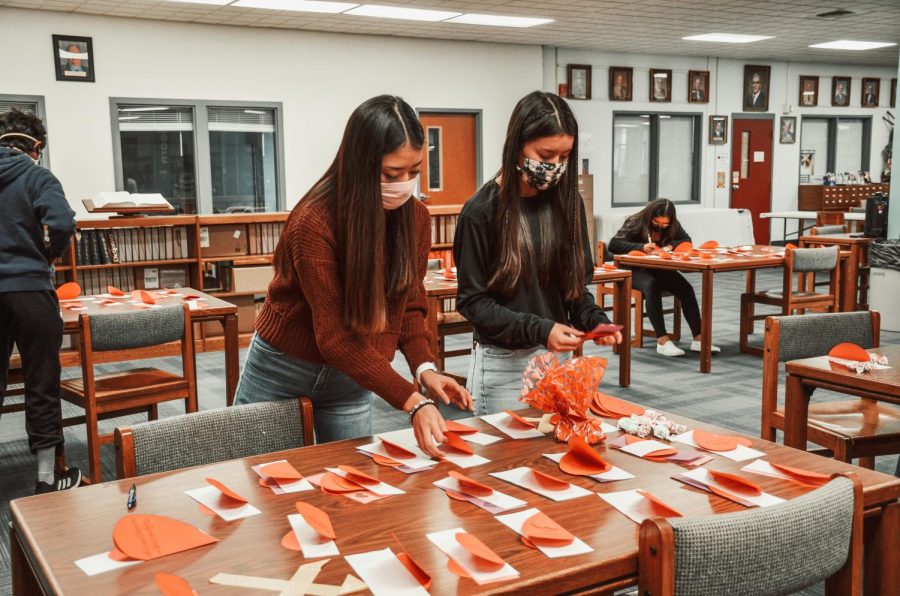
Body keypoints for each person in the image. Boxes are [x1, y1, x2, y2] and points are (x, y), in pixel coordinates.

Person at [233, 95, 472, 458]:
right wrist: (412, 401)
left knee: (352, 482)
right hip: (283, 368)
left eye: (414, 171)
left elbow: (408, 304)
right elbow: (335, 337)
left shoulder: (416, 218)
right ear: (359, 164)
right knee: (261, 482)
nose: (404, 184)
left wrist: (425, 368)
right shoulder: (314, 222)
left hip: (356, 373)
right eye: (391, 174)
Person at [454, 91, 623, 415]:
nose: (555, 167)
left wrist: (595, 320)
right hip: (505, 367)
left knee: (556, 459)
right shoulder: (481, 212)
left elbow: (573, 292)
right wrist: (541, 330)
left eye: (564, 158)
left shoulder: (568, 205)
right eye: (546, 156)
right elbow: (473, 303)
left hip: (556, 361)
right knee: (506, 465)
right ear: (518, 145)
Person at [0, 109, 81, 493]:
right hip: (30, 289)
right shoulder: (37, 176)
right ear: (36, 147)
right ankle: (48, 478)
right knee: (41, 382)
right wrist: (48, 254)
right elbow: (63, 223)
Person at [607, 198, 719, 357]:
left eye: (665, 224)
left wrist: (669, 246)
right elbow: (613, 245)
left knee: (685, 288)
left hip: (658, 267)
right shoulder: (636, 221)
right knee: (652, 286)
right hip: (633, 269)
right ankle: (662, 340)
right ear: (650, 216)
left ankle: (699, 339)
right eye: (657, 222)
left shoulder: (673, 225)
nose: (661, 226)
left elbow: (686, 240)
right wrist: (641, 247)